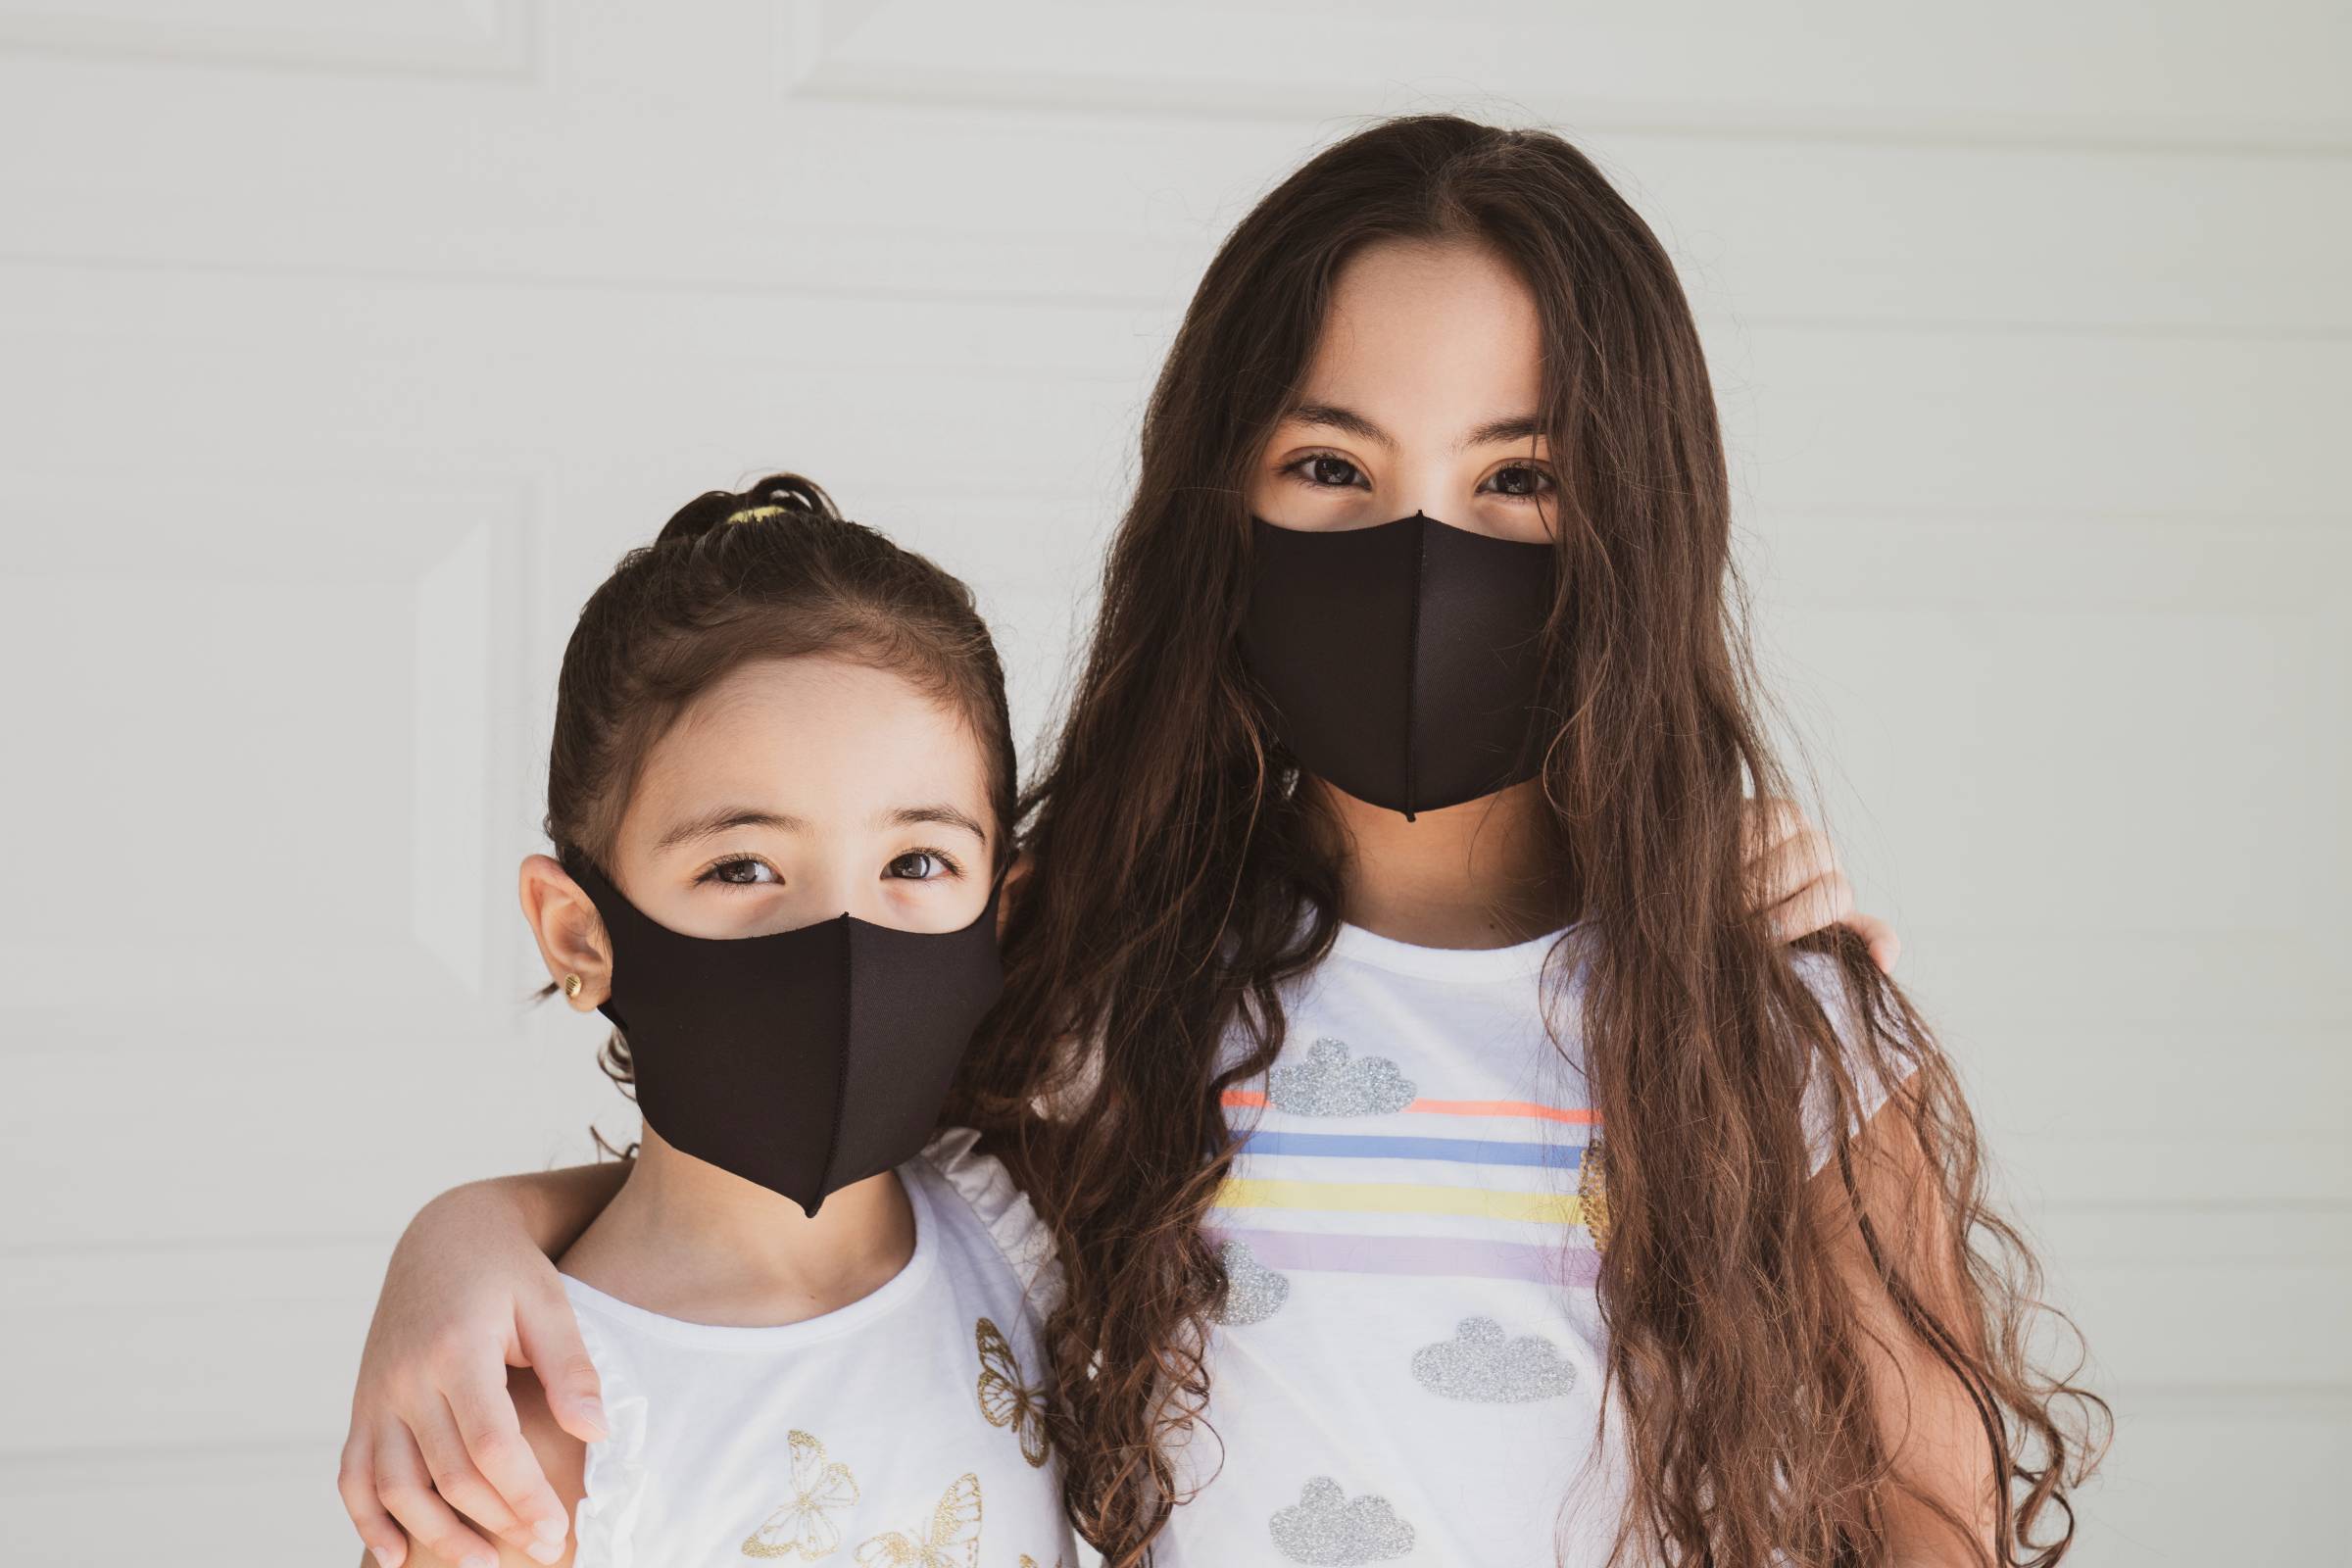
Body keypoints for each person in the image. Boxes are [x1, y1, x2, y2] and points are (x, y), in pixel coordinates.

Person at [342, 117, 2103, 1568]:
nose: (1424, 547)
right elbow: (776, 1179)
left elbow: (1932, 1530)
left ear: (1633, 527)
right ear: (1221, 502)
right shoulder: (1096, 984)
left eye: (1520, 479)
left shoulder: (1769, 1037)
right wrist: (465, 1238)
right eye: (1333, 464)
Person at [379, 474, 1076, 1568]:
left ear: (1004, 911)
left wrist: (463, 1224)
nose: (843, 937)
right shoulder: (534, 1443)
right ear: (577, 935)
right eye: (743, 865)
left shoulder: (1026, 1238)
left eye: (916, 861)